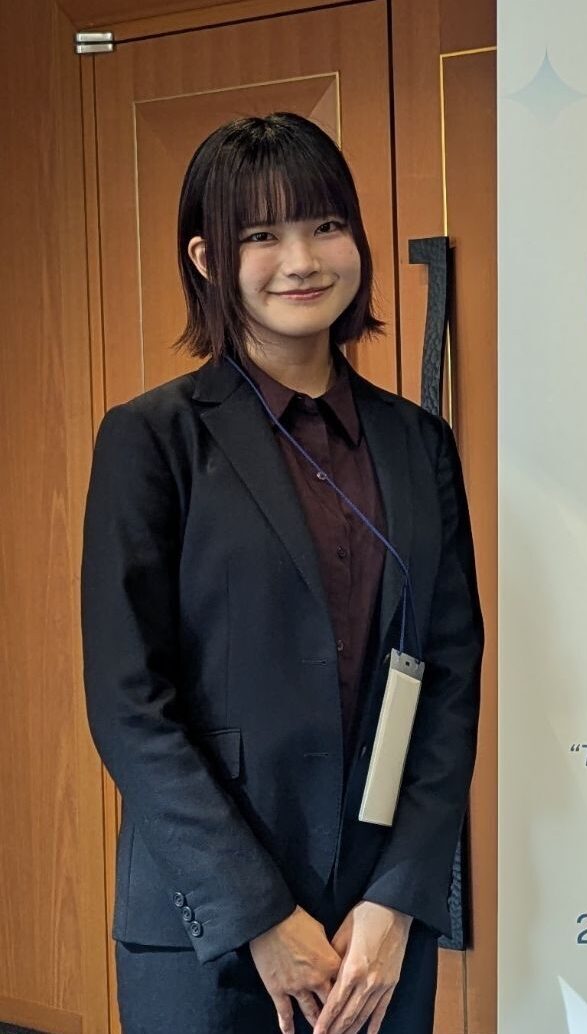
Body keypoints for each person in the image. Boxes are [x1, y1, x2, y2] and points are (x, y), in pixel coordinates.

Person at [80, 112, 483, 1034]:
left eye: (324, 225)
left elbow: (448, 678)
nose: (300, 260)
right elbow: (129, 704)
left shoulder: (418, 443)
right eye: (260, 235)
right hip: (209, 929)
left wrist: (398, 897)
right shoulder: (151, 440)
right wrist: (258, 914)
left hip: (376, 933)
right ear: (208, 259)